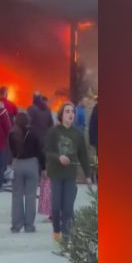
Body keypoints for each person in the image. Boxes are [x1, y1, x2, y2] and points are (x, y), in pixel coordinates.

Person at [44, 102, 92, 250]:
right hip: (56, 174)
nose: (71, 114)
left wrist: (88, 175)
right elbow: (47, 152)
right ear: (61, 114)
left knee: (68, 208)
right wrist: (58, 158)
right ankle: (56, 232)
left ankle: (66, 237)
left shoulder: (78, 134)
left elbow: (83, 156)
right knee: (56, 206)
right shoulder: (54, 132)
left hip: (70, 175)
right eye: (67, 111)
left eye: (72, 112)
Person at [9, 112, 45, 233]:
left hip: (18, 164)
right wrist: (43, 168)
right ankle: (29, 225)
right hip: (32, 164)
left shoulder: (13, 133)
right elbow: (39, 151)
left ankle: (16, 225)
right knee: (31, 196)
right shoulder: (34, 134)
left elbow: (10, 150)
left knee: (17, 195)